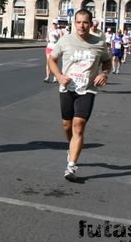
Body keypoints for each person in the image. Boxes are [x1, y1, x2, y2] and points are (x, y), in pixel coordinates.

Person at [48, 9, 112, 181]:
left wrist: (104, 74)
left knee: (78, 125)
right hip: (67, 89)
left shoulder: (99, 43)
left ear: (90, 24)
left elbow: (107, 61)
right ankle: (72, 146)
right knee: (67, 126)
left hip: (87, 89)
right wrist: (59, 76)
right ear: (74, 23)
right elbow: (51, 59)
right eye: (78, 22)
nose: (81, 25)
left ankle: (71, 166)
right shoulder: (66, 40)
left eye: (85, 22)